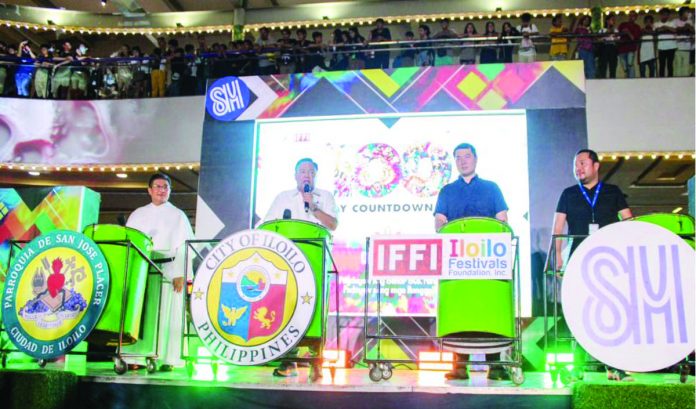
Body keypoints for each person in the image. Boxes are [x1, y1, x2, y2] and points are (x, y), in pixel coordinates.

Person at [551, 149, 633, 382]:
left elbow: (629, 222)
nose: (578, 168)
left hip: (610, 261)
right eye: (575, 165)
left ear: (596, 166)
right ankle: (577, 366)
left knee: (613, 313)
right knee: (580, 313)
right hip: (578, 260)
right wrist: (558, 258)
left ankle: (615, 365)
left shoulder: (612, 192)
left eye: (583, 163)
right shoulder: (568, 194)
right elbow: (558, 228)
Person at [433, 143, 509, 381]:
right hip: (458, 261)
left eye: (467, 156)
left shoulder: (491, 188)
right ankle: (458, 366)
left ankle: (496, 365)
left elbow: (502, 220)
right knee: (461, 309)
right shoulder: (447, 190)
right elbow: (439, 222)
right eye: (458, 157)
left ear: (475, 159)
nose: (463, 161)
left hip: (488, 261)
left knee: (489, 309)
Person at [260, 158, 338, 378]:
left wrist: (314, 208)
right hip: (287, 264)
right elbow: (267, 226)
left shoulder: (326, 197)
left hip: (316, 260)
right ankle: (289, 362)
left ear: (315, 175)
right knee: (288, 306)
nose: (307, 175)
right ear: (295, 175)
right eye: (302, 171)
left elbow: (333, 225)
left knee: (316, 309)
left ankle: (316, 361)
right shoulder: (282, 198)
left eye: (311, 171)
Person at [123, 173, 194, 372]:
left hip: (168, 271)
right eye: (157, 186)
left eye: (165, 187)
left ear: (170, 191)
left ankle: (166, 358)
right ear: (149, 190)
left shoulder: (178, 215)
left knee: (167, 312)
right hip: (142, 272)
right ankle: (134, 357)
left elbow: (183, 247)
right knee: (140, 313)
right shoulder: (138, 214)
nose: (161, 190)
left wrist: (182, 273)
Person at [654, 7, 678, 77]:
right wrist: (665, 28)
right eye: (664, 14)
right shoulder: (656, 23)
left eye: (667, 15)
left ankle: (670, 78)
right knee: (662, 65)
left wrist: (665, 27)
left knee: (670, 64)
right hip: (661, 47)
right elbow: (656, 31)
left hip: (671, 47)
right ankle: (661, 80)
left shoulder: (672, 23)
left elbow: (675, 30)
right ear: (660, 15)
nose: (665, 16)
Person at [617, 11, 641, 78]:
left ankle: (632, 80)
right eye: (630, 15)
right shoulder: (622, 24)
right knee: (625, 67)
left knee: (630, 64)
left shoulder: (637, 27)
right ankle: (627, 79)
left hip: (631, 48)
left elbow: (634, 38)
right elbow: (618, 35)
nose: (631, 17)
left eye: (633, 16)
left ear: (636, 18)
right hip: (621, 48)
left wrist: (628, 33)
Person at [597, 14, 620, 79]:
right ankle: (602, 79)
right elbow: (598, 40)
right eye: (612, 20)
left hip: (612, 47)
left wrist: (614, 35)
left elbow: (618, 40)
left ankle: (612, 79)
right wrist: (606, 34)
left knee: (612, 65)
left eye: (614, 20)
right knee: (603, 65)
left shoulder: (616, 30)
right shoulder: (602, 30)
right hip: (604, 47)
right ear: (607, 21)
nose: (613, 21)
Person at [674, 6, 695, 77]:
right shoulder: (675, 21)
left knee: (686, 67)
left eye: (689, 12)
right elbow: (676, 30)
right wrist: (685, 27)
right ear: (682, 13)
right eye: (687, 12)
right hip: (678, 48)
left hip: (687, 48)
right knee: (678, 66)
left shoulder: (690, 22)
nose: (689, 14)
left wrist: (690, 27)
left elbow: (693, 32)